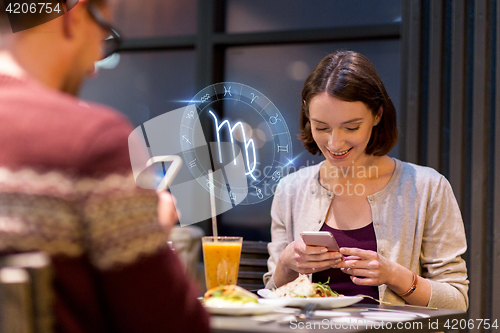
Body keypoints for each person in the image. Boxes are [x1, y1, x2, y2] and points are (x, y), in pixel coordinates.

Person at [0, 1, 209, 332]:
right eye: (104, 36)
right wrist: (151, 230)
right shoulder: (91, 140)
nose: (95, 65)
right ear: (75, 17)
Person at [263, 50, 469, 311]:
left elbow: (457, 302)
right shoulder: (291, 191)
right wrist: (285, 265)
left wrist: (395, 276)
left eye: (351, 127)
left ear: (377, 115)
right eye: (322, 128)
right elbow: (269, 299)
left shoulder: (427, 188)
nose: (335, 143)